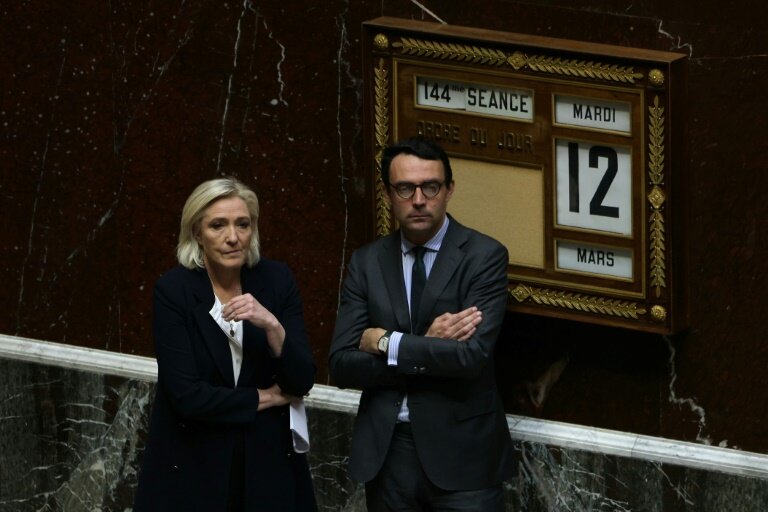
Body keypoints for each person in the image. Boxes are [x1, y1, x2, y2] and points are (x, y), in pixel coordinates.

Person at [329, 138, 515, 511]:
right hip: (389, 453)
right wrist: (427, 344)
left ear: (448, 191)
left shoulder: (483, 257)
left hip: (463, 456)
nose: (418, 199)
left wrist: (387, 343)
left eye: (430, 186)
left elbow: (470, 358)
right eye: (405, 188)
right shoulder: (367, 263)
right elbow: (341, 365)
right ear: (387, 193)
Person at [134, 177, 317, 511]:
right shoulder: (174, 291)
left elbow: (302, 379)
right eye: (218, 225)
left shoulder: (276, 281)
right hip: (193, 466)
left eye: (242, 224)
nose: (233, 237)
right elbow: (188, 397)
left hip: (268, 467)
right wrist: (268, 396)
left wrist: (272, 325)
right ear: (197, 234)